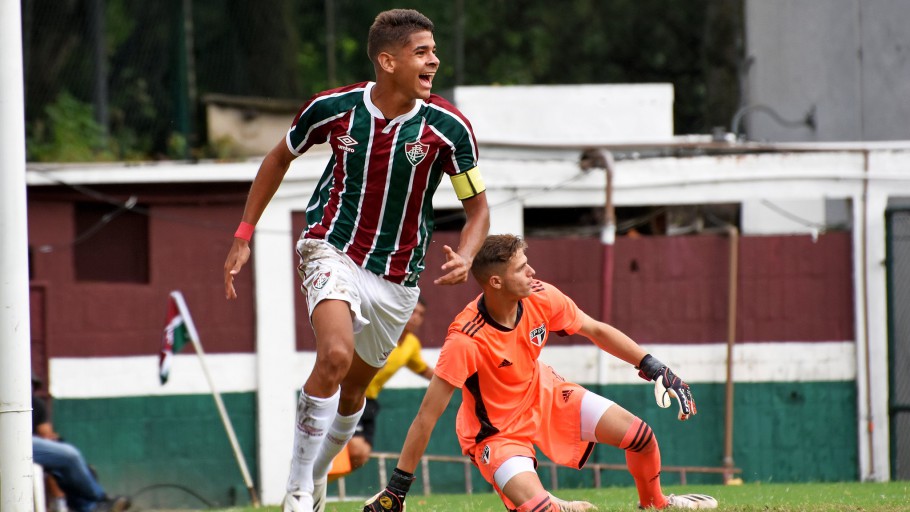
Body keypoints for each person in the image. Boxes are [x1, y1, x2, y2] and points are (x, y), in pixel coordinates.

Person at [222, 9, 489, 512]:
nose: (435, 60)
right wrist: (243, 233)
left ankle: (318, 474)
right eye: (422, 52)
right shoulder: (334, 108)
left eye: (434, 50)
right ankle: (298, 491)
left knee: (353, 392)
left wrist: (469, 254)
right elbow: (279, 157)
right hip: (331, 246)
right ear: (387, 61)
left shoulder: (450, 128)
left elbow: (478, 208)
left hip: (397, 277)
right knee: (335, 356)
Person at [364, 235, 718, 511]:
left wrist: (653, 366)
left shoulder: (540, 296)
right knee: (540, 508)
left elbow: (595, 329)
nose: (532, 273)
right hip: (496, 436)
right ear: (496, 283)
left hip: (547, 396)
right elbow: (427, 416)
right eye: (521, 268)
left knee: (641, 437)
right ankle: (547, 501)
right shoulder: (465, 339)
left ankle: (655, 503)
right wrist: (397, 488)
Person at [347, 298, 434, 471]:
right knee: (355, 449)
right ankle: (312, 480)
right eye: (413, 311)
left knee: (361, 455)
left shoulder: (411, 344)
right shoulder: (380, 331)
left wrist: (462, 380)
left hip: (370, 401)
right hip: (350, 396)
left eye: (421, 314)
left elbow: (424, 370)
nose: (415, 317)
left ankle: (319, 483)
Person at [31, 375, 131, 512]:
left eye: (32, 384)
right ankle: (99, 500)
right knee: (69, 455)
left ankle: (88, 507)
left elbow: (46, 433)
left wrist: (51, 440)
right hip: (11, 444)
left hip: (33, 449)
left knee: (63, 467)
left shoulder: (35, 404)